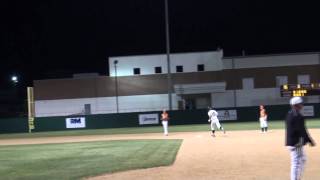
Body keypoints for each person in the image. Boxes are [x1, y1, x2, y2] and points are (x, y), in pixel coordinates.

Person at [285, 97, 315, 180]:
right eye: (300, 104)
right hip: (296, 143)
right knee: (297, 163)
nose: (302, 105)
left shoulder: (290, 113)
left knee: (302, 159)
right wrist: (310, 140)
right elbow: (302, 130)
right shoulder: (297, 115)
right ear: (295, 105)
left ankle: (297, 178)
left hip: (294, 142)